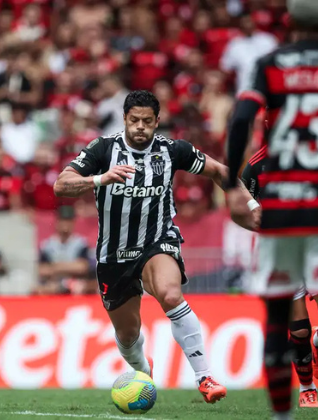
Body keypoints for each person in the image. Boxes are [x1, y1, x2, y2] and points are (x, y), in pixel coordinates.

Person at [54, 90, 234, 403]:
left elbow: (219, 171)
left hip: (157, 240)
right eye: (134, 120)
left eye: (147, 121)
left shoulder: (173, 150)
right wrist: (101, 179)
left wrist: (248, 200)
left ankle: (204, 376)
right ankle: (143, 371)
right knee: (127, 335)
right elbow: (61, 185)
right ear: (124, 119)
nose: (140, 126)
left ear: (157, 122)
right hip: (114, 254)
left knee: (170, 293)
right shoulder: (103, 149)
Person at [225, 1, 318, 418]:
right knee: (301, 325)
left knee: (282, 320)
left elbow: (242, 117)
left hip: (283, 203)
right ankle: (311, 379)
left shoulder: (269, 64)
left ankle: (284, 412)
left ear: (289, 22)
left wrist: (230, 184)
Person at [234, 147, 318, 408]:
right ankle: (307, 388)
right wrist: (260, 224)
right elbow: (238, 211)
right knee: (299, 329)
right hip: (282, 251)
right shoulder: (257, 166)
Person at [35, 205, 90, 295]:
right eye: (63, 220)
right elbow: (42, 270)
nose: (65, 224)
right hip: (53, 285)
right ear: (57, 222)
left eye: (68, 221)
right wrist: (70, 267)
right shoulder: (47, 245)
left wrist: (55, 267)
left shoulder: (81, 243)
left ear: (73, 222)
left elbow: (82, 267)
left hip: (75, 286)